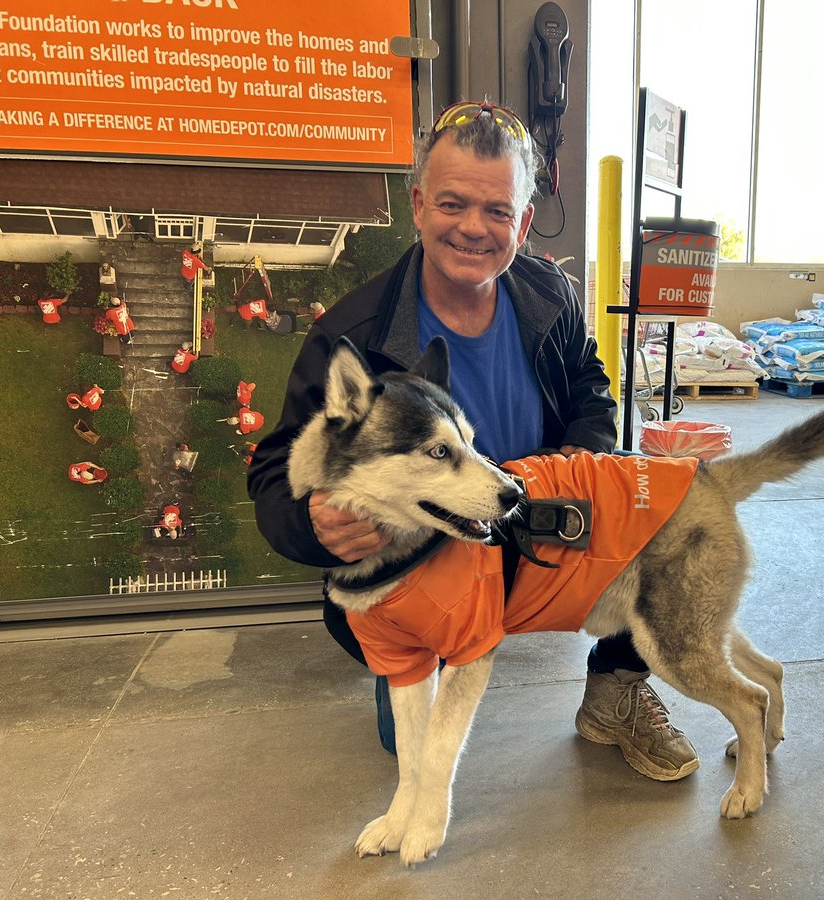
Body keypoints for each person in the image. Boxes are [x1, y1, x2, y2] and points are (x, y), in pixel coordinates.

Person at [248, 99, 698, 782]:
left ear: (522, 220)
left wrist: (583, 459)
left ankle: (617, 691)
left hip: (536, 518)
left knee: (661, 524)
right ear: (420, 204)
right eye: (453, 204)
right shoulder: (355, 334)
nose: (473, 228)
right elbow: (274, 471)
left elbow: (590, 386)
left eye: (497, 211)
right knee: (409, 744)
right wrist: (314, 526)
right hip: (423, 548)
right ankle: (416, 651)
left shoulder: (553, 294)